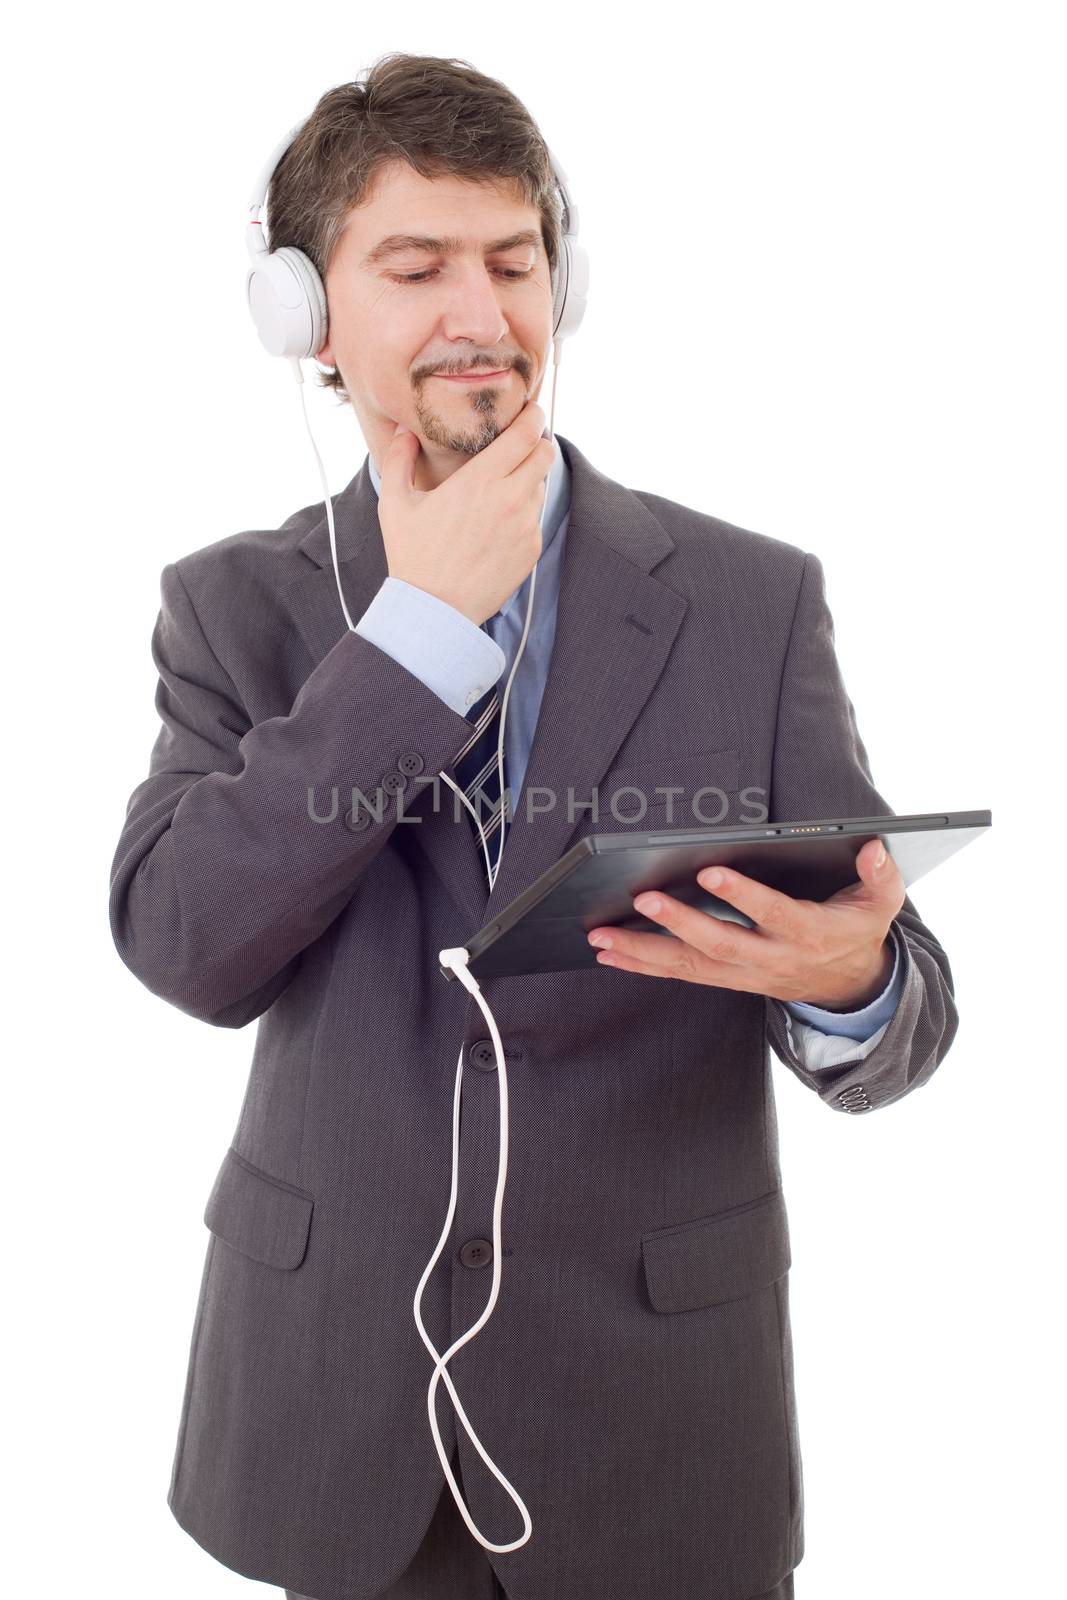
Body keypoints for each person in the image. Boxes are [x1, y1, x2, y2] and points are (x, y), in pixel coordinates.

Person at [108, 53, 958, 1600]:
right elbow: (188, 945)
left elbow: (902, 1009)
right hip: (337, 1422)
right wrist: (417, 635)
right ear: (303, 315)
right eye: (414, 267)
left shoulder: (751, 601)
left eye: (512, 261)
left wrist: (852, 982)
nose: (481, 314)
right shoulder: (233, 610)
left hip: (655, 1421)